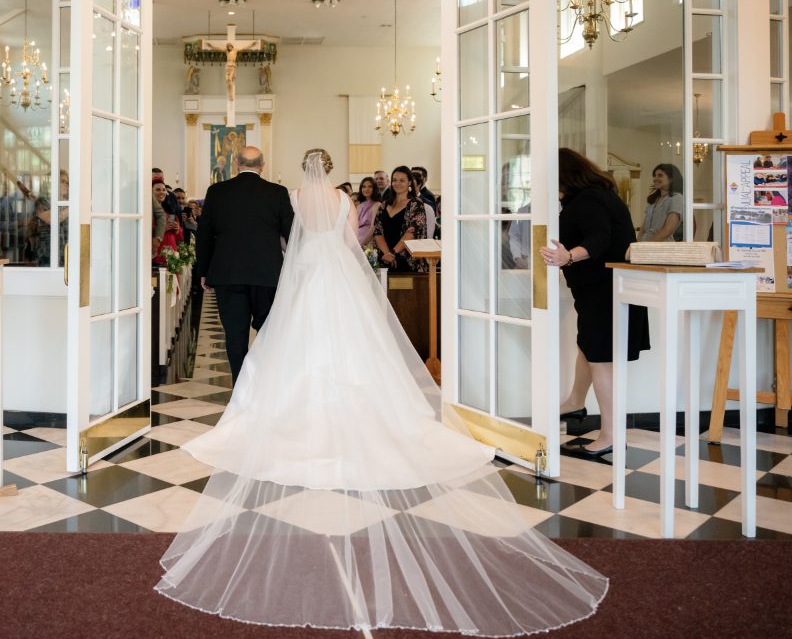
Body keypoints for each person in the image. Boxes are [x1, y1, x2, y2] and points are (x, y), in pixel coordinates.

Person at [157, 148, 608, 634]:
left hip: (304, 276)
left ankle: (275, 407)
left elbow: (292, 239)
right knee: (353, 344)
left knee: (285, 344)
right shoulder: (342, 201)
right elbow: (352, 241)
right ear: (329, 169)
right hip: (338, 280)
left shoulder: (293, 196)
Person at [540, 148, 651, 456]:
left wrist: (568, 256)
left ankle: (611, 436)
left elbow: (599, 238)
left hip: (605, 290)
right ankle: (576, 401)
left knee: (600, 359)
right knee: (588, 347)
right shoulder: (597, 195)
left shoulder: (588, 199)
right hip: (607, 288)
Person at [196, 146, 293, 382]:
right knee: (267, 332)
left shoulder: (217, 191)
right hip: (268, 274)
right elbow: (291, 234)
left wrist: (204, 272)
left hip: (228, 274)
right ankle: (264, 384)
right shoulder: (277, 192)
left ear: (236, 165)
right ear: (262, 165)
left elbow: (204, 234)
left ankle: (240, 387)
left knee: (235, 335)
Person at [373, 166, 427, 272]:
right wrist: (386, 254)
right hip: (384, 259)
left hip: (407, 261)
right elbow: (378, 232)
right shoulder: (384, 204)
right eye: (394, 180)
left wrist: (393, 253)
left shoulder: (416, 204)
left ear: (410, 183)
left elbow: (411, 233)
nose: (397, 183)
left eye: (402, 180)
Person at [639, 163, 683, 242]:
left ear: (671, 178)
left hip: (662, 247)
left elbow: (668, 229)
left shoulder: (676, 198)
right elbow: (643, 228)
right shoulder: (653, 199)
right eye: (654, 176)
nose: (655, 178)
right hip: (645, 246)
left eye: (660, 175)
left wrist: (648, 244)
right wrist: (638, 244)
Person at [355, 175, 381, 247]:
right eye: (364, 186)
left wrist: (362, 244)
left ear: (374, 189)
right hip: (356, 239)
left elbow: (373, 228)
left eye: (370, 186)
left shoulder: (377, 205)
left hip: (369, 241)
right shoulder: (359, 206)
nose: (366, 189)